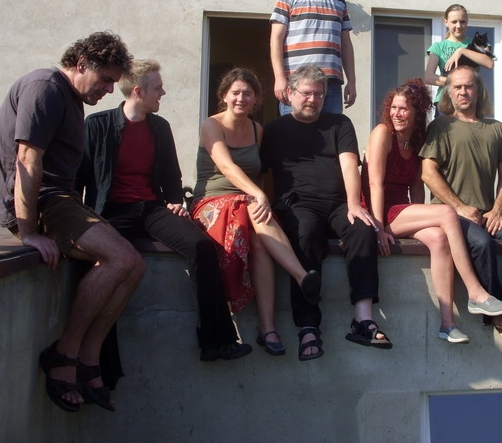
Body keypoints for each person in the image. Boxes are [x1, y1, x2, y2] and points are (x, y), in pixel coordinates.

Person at [0, 31, 145, 412]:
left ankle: (88, 358)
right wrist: (28, 231)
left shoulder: (70, 98)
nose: (109, 90)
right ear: (80, 64)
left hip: (60, 200)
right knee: (120, 259)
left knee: (135, 264)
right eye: (105, 80)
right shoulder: (45, 88)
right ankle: (64, 356)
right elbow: (26, 160)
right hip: (42, 202)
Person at [79, 59, 252, 363]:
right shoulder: (97, 125)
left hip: (151, 208)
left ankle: (217, 342)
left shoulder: (160, 127)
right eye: (157, 88)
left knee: (201, 246)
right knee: (106, 265)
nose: (163, 93)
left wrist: (174, 201)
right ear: (138, 91)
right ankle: (99, 363)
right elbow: (79, 179)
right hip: (112, 212)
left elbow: (172, 178)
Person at [363, 79, 502, 344]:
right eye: (394, 107)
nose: (397, 113)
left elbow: (416, 188)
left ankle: (447, 324)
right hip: (378, 210)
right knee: (447, 213)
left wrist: (421, 216)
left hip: (402, 211)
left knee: (439, 237)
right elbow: (374, 184)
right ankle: (475, 292)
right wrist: (377, 228)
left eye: (404, 108)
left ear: (417, 112)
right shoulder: (383, 133)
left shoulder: (416, 140)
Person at [260, 64, 391, 360]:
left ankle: (363, 318)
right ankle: (308, 326)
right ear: (290, 93)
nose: (313, 99)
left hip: (338, 204)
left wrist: (354, 203)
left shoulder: (339, 123)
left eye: (319, 94)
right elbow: (258, 172)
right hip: (297, 204)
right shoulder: (274, 130)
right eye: (307, 93)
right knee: (304, 234)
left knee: (362, 228)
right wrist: (261, 201)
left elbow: (349, 165)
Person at [190, 67, 321, 357]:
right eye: (235, 92)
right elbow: (227, 167)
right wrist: (258, 196)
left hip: (246, 203)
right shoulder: (211, 125)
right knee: (250, 205)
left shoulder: (257, 130)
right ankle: (302, 276)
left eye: (247, 94)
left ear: (256, 99)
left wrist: (263, 197)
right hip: (210, 202)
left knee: (260, 244)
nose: (241, 98)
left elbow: (261, 174)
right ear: (224, 96)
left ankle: (268, 329)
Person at [420, 66, 502, 346]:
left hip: (486, 212)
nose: (463, 92)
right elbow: (428, 173)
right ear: (449, 92)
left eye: (469, 86)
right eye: (457, 87)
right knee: (482, 243)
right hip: (451, 214)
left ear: (479, 91)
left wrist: (497, 210)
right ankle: (495, 314)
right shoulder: (441, 126)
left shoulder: (497, 129)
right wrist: (460, 207)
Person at [270, 0, 356, 115]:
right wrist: (279, 78)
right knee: (294, 132)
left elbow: (346, 44)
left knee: (331, 132)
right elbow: (275, 40)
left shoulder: (339, 1)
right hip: (296, 84)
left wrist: (352, 82)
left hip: (330, 85)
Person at [424, 4, 495, 117]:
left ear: (467, 22)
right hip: (446, 102)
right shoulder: (439, 47)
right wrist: (456, 83)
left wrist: (462, 51)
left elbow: (489, 63)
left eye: (462, 22)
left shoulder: (478, 42)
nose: (458, 26)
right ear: (446, 22)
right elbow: (429, 77)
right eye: (454, 22)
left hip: (471, 101)